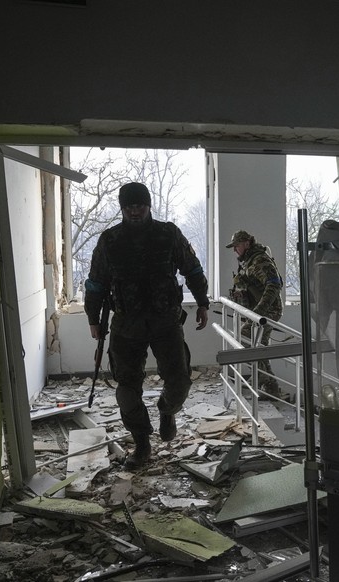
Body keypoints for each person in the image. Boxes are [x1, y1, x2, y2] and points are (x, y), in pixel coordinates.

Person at [85, 182, 210, 470]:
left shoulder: (168, 234)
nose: (135, 211)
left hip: (165, 321)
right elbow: (96, 283)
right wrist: (93, 318)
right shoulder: (110, 240)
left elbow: (192, 268)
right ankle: (141, 442)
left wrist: (203, 302)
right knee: (127, 389)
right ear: (122, 208)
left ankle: (167, 411)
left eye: (139, 205)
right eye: (129, 206)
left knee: (179, 381)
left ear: (149, 205)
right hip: (126, 325)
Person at [226, 230, 285, 400]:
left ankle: (262, 376)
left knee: (244, 337)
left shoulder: (260, 260)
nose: (234, 250)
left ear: (246, 243)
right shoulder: (248, 262)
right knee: (260, 348)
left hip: (268, 311)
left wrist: (259, 311)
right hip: (259, 311)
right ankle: (272, 389)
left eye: (236, 245)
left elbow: (274, 285)